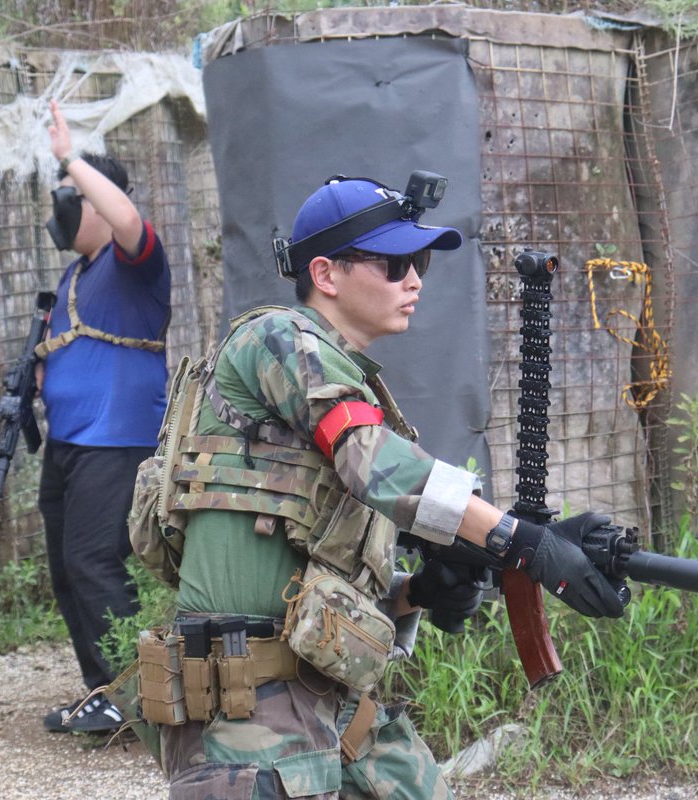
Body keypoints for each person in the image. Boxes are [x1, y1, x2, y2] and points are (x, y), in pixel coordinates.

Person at [152, 172, 623, 798]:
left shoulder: (348, 390)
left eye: (419, 261)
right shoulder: (279, 340)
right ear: (325, 274)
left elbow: (315, 576)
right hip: (247, 711)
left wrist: (418, 591)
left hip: (326, 690)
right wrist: (522, 542)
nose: (415, 280)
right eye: (397, 262)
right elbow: (376, 465)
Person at [37, 99, 172, 734]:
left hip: (116, 441)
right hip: (67, 445)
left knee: (94, 560)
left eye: (70, 194)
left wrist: (70, 156)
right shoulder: (73, 277)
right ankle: (104, 692)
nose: (61, 206)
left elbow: (127, 217)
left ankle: (130, 697)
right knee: (70, 567)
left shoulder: (134, 263)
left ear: (99, 199)